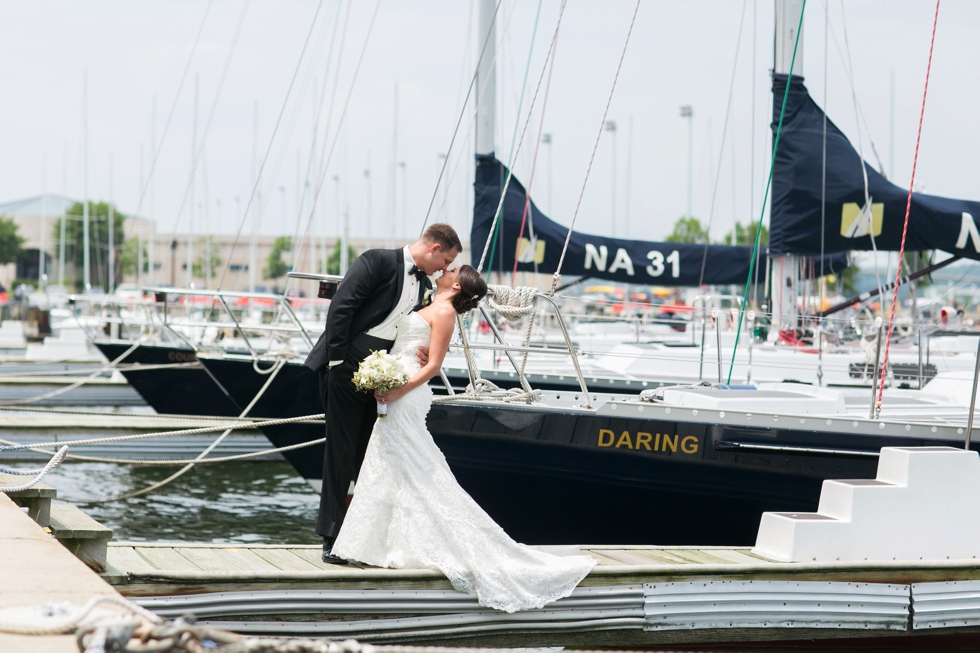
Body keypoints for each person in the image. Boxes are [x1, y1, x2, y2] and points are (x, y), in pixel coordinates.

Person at [332, 265, 596, 612]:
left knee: (405, 459)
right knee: (391, 461)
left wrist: (398, 391)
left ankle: (389, 545)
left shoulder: (444, 312)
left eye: (452, 269)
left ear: (455, 284)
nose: (446, 269)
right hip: (395, 381)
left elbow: (434, 365)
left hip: (406, 391)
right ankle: (378, 545)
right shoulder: (431, 301)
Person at [305, 223, 461, 564]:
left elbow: (413, 327)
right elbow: (340, 309)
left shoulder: (423, 284)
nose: (444, 269)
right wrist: (337, 361)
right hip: (344, 364)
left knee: (371, 454)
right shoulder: (376, 261)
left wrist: (417, 353)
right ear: (434, 248)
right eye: (445, 260)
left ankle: (363, 541)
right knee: (340, 453)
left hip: (383, 373)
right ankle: (330, 538)